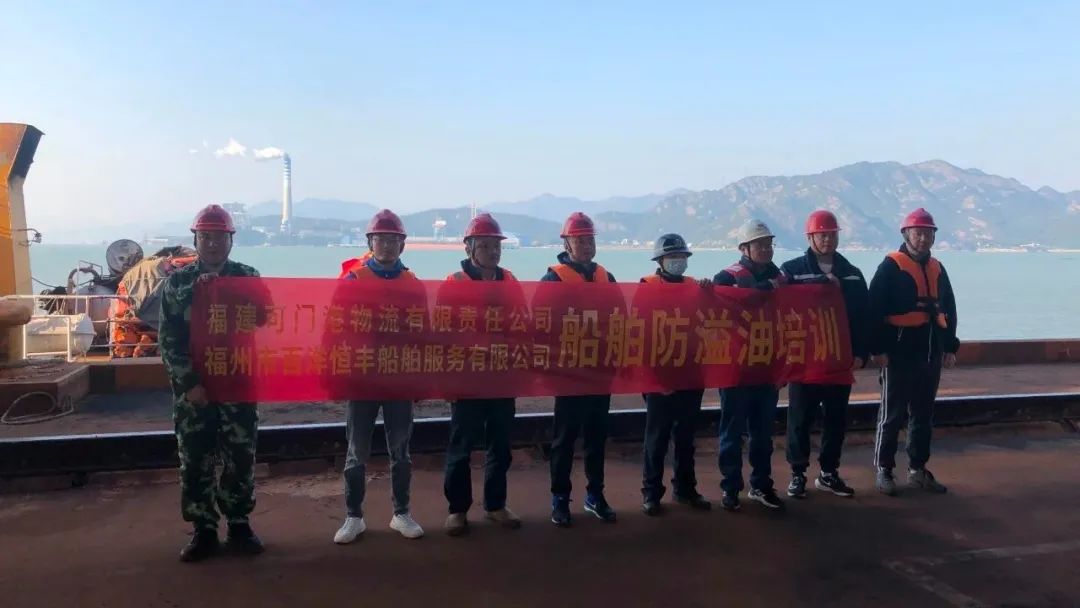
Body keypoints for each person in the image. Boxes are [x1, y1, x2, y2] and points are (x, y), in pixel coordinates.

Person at [159, 204, 267, 562]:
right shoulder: (178, 283)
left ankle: (239, 523)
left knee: (240, 458)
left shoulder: (248, 277)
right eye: (205, 237)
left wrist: (232, 293)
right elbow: (169, 339)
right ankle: (203, 529)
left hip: (238, 383)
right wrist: (189, 383)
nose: (213, 243)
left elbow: (267, 318)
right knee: (195, 459)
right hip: (196, 391)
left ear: (231, 240)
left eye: (220, 237)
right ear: (195, 240)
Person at [333, 209, 425, 543]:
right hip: (362, 378)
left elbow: (423, 334)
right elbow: (334, 329)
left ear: (403, 245)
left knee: (400, 451)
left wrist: (420, 378)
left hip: (399, 379)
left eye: (393, 240)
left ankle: (401, 513)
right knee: (356, 453)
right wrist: (337, 374)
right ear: (370, 243)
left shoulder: (413, 284)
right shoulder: (353, 281)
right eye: (380, 239)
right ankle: (353, 517)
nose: (386, 245)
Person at [441, 213, 523, 535]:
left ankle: (495, 505)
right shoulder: (454, 283)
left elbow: (524, 324)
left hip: (502, 378)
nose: (493, 251)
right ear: (469, 248)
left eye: (496, 246)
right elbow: (441, 333)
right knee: (461, 448)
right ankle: (457, 510)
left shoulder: (510, 281)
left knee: (500, 446)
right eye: (485, 245)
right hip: (466, 380)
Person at [780, 210, 870, 499]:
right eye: (822, 235)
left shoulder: (852, 273)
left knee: (835, 420)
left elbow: (863, 317)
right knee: (799, 419)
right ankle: (797, 473)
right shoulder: (791, 271)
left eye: (832, 234)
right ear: (810, 237)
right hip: (804, 361)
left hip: (838, 361)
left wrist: (861, 353)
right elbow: (777, 311)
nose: (828, 239)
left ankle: (829, 473)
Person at [869, 208, 958, 496]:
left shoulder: (938, 269)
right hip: (898, 355)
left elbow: (948, 309)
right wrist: (878, 349)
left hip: (930, 354)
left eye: (928, 233)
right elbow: (874, 310)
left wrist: (950, 346)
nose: (923, 238)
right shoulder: (890, 267)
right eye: (918, 233)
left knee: (923, 415)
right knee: (891, 415)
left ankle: (917, 469)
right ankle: (884, 469)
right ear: (906, 234)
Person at [540, 211, 618, 527]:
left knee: (597, 438)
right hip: (568, 374)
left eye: (590, 240)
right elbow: (541, 324)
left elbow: (621, 319)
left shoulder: (606, 277)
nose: (586, 246)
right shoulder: (553, 279)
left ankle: (595, 495)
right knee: (564, 439)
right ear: (567, 244)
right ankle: (560, 499)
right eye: (580, 240)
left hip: (599, 372)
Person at [713, 219, 786, 512]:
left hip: (767, 368)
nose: (766, 249)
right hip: (736, 370)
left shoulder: (782, 279)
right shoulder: (726, 278)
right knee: (732, 433)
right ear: (744, 248)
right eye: (759, 244)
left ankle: (761, 485)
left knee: (763, 434)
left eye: (769, 243)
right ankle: (730, 488)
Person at [639, 233, 713, 516]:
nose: (678, 261)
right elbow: (639, 334)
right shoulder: (647, 288)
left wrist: (709, 292)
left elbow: (711, 320)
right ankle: (651, 493)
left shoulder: (695, 287)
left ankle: (685, 489)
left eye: (681, 257)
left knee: (686, 437)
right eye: (672, 257)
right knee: (656, 438)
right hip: (659, 375)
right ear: (660, 261)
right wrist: (653, 377)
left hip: (690, 374)